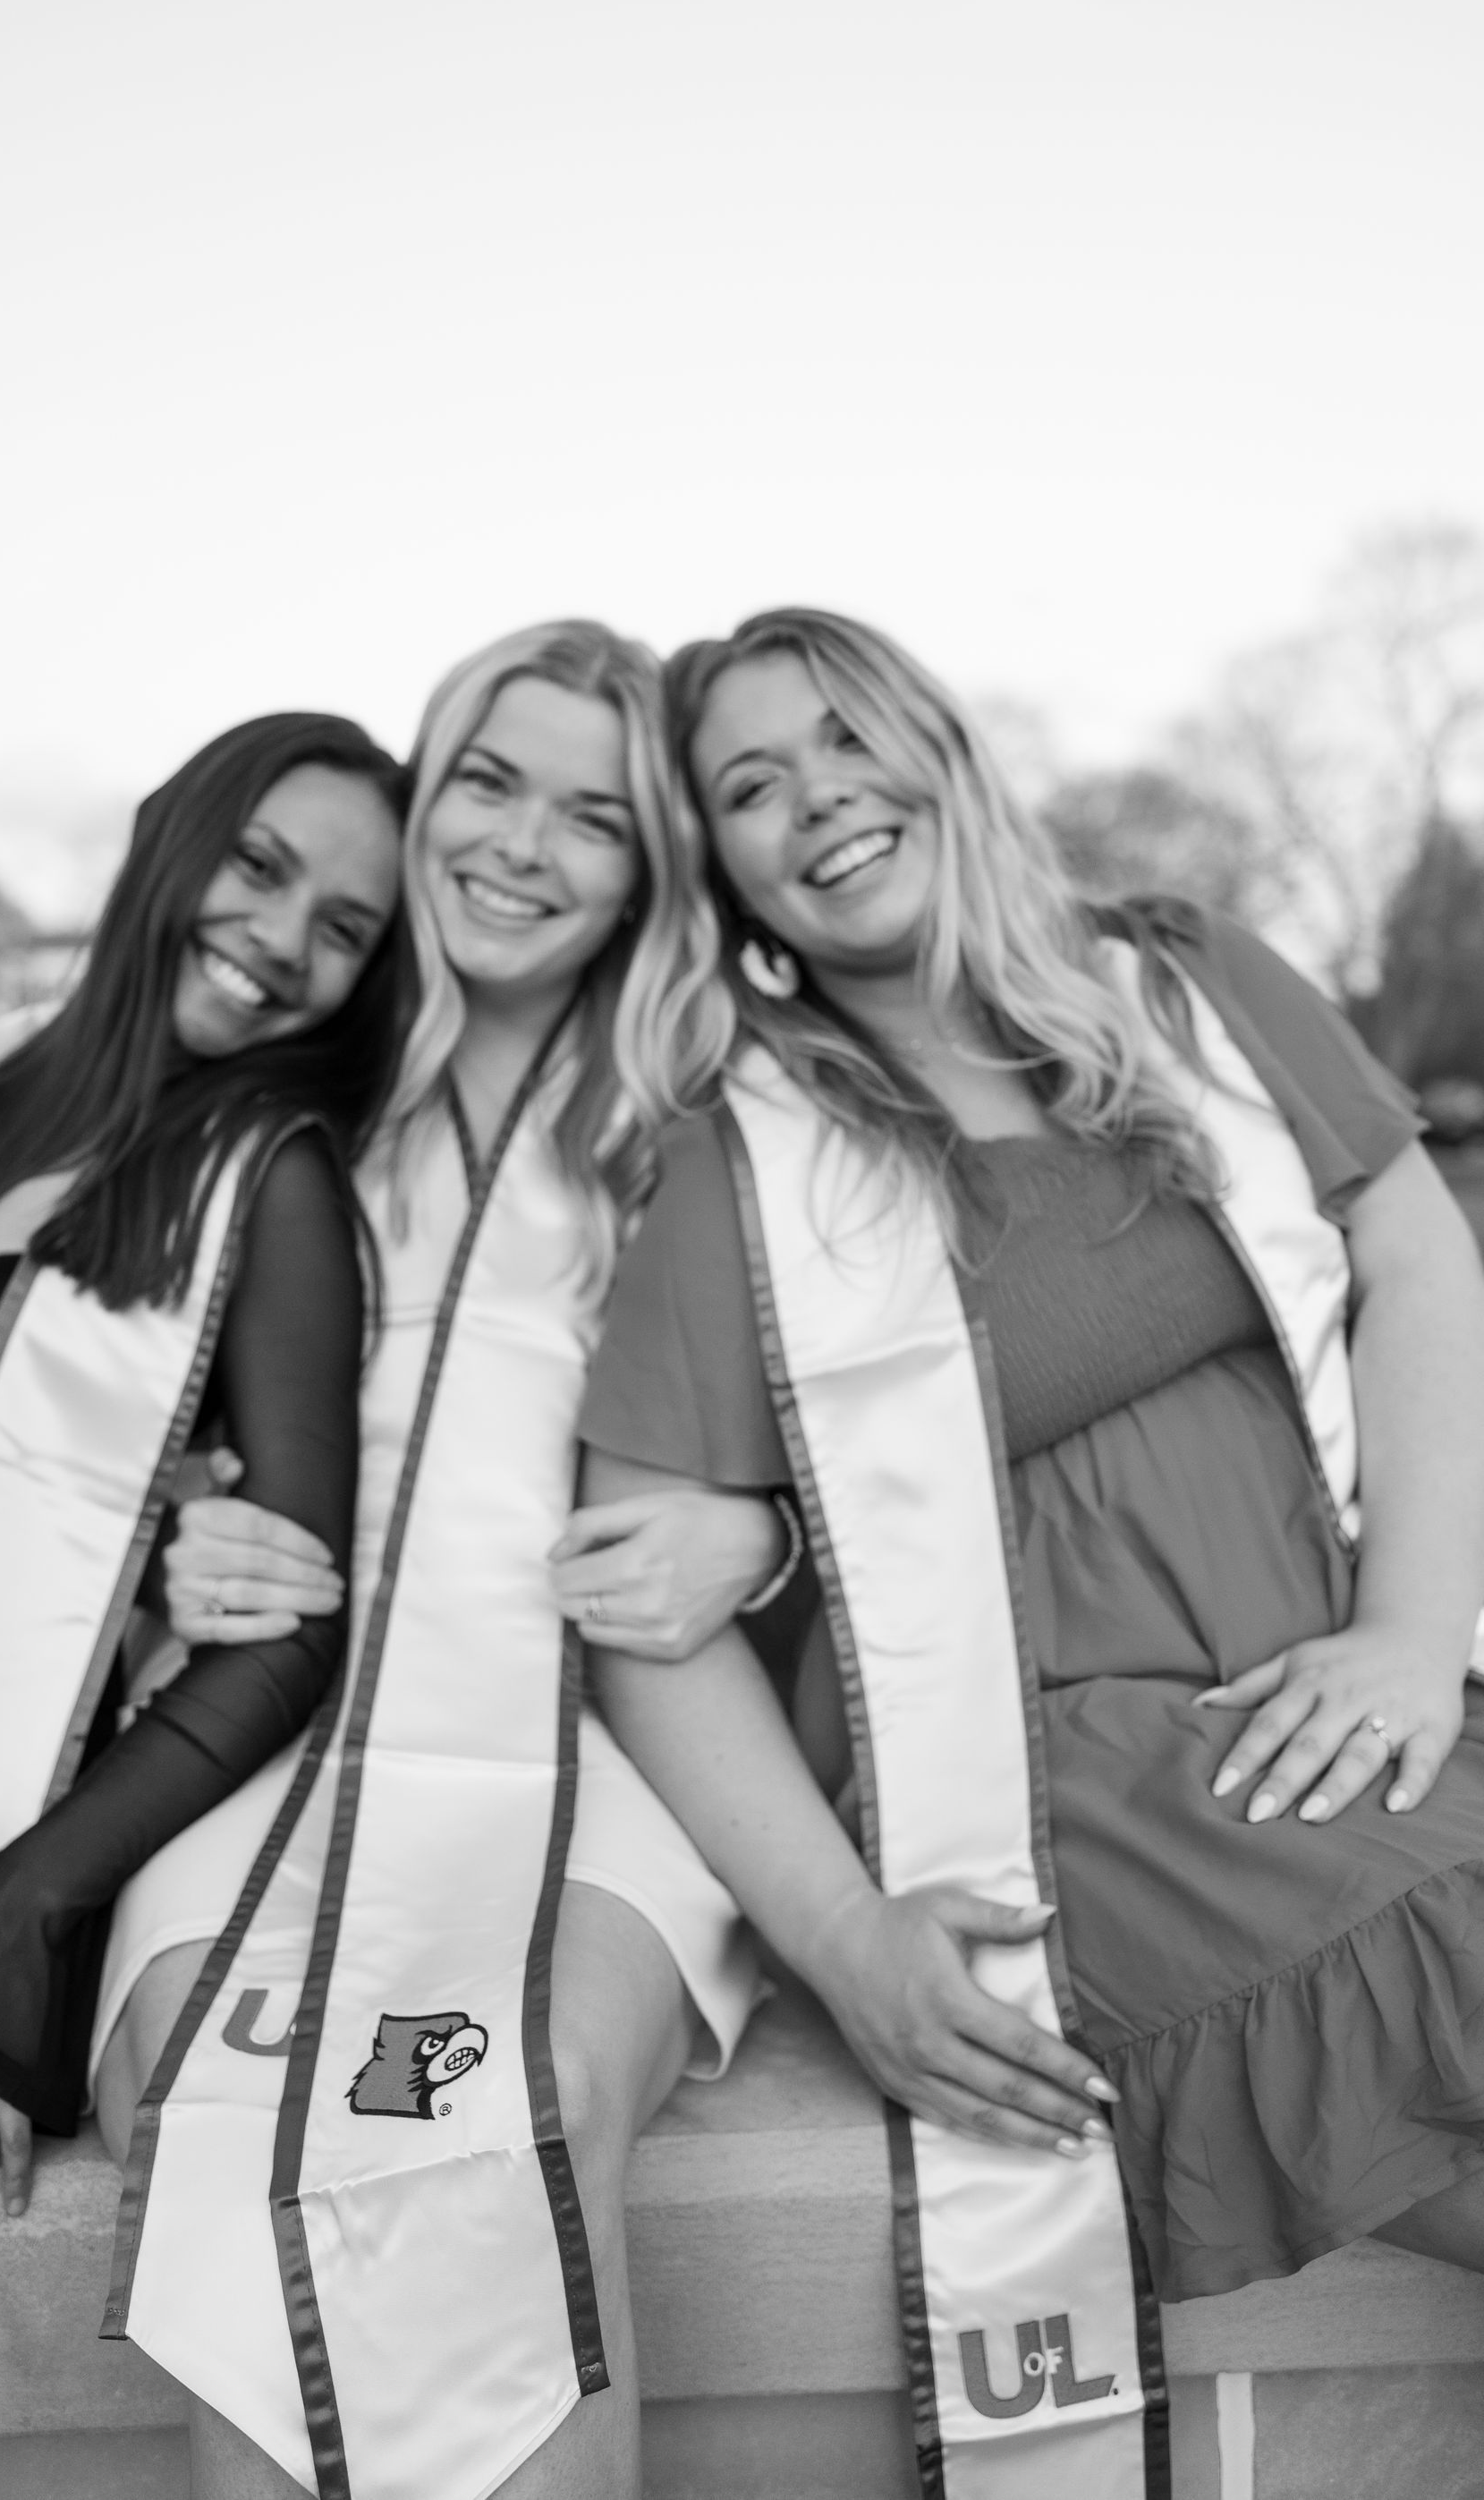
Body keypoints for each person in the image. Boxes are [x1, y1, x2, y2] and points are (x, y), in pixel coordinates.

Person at [567, 608, 1484, 2496]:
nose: (814, 799)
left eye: (843, 739)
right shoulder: (740, 1158)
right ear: (718, 867)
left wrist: (1411, 1629)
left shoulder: (1187, 988)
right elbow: (643, 1622)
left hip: (1322, 1700)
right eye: (750, 785)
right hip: (1062, 1776)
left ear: (941, 749)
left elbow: (1413, 1261)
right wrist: (844, 1943)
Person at [97, 624, 776, 2500]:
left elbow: (883, 1445)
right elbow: (72, 1411)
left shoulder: (700, 1108)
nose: (521, 848)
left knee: (523, 2108)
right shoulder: (271, 1080)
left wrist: (758, 1530)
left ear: (651, 870)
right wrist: (166, 1543)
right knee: (226, 2113)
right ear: (427, 789)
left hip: (596, 1749)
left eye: (596, 817)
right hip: (259, 1736)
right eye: (487, 782)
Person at [0, 710, 405, 2500]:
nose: (282, 938)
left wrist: (9, 1928)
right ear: (170, 837)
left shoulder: (263, 1192)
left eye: (343, 928)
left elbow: (287, 1633)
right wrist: (139, 1552)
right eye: (262, 868)